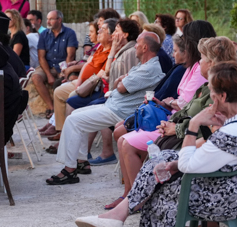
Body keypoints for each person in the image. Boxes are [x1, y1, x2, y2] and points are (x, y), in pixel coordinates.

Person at [73, 62, 237, 227]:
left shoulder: (232, 132)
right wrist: (174, 163)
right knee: (162, 160)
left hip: (226, 197)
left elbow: (187, 164)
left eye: (211, 92)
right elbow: (205, 156)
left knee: (159, 194)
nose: (209, 98)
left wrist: (194, 125)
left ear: (224, 96)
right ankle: (122, 217)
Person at [108, 24, 217, 191]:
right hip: (175, 121)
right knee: (123, 135)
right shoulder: (193, 69)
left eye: (184, 39)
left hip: (182, 130)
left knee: (125, 140)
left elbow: (193, 113)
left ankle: (134, 195)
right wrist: (169, 110)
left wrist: (174, 124)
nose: (180, 46)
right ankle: (130, 194)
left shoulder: (205, 79)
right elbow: (187, 107)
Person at [48, 32, 165, 184]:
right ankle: (81, 162)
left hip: (121, 111)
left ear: (144, 47)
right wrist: (121, 80)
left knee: (73, 121)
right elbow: (118, 83)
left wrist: (122, 80)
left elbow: (121, 87)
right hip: (115, 105)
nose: (135, 46)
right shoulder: (143, 65)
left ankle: (69, 170)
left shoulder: (149, 68)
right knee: (75, 115)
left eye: (137, 43)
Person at [51, 19, 114, 141]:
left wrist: (78, 83)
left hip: (92, 87)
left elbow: (101, 74)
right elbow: (87, 65)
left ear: (111, 36)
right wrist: (78, 81)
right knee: (59, 91)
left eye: (102, 30)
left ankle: (69, 137)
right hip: (83, 82)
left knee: (71, 97)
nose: (98, 31)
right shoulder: (100, 47)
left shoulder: (111, 52)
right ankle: (61, 131)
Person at [31, 10, 79, 117]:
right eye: (47, 19)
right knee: (36, 77)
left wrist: (65, 71)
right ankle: (52, 108)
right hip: (48, 66)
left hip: (64, 66)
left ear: (59, 20)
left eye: (51, 19)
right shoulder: (44, 34)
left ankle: (66, 109)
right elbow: (41, 56)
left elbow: (70, 55)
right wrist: (48, 75)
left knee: (68, 80)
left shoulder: (70, 33)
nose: (48, 22)